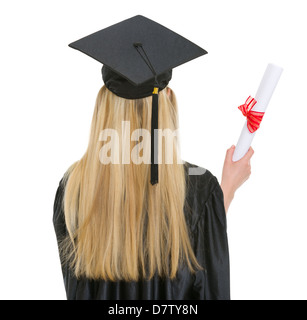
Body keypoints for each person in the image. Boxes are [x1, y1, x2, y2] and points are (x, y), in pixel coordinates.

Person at [53, 15, 254, 300]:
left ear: (103, 105)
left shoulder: (73, 189)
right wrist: (224, 193)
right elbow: (204, 282)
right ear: (167, 100)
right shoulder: (200, 188)